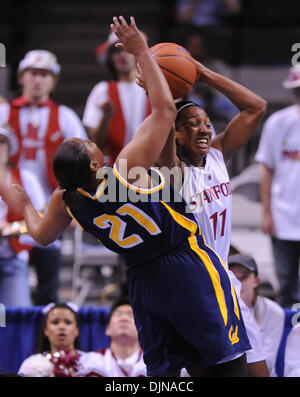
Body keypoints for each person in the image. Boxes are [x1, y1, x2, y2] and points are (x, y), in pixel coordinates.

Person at [6, 16, 251, 377]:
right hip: (187, 264)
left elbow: (41, 236)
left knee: (163, 374)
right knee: (223, 362)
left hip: (143, 283)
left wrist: (26, 204)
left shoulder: (67, 198)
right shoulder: (124, 169)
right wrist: (141, 52)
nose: (97, 143)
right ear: (94, 163)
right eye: (92, 146)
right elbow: (166, 111)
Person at [155, 59, 268, 375]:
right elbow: (162, 121)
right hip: (195, 290)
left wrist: (203, 75)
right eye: (192, 123)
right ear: (175, 135)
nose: (204, 128)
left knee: (261, 372)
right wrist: (158, 87)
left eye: (206, 122)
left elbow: (256, 107)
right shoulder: (171, 173)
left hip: (225, 282)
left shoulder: (217, 155)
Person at [0, 49, 88, 305]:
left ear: (53, 80)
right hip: (8, 206)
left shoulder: (65, 116)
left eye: (44, 75)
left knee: (48, 274)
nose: (37, 80)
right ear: (21, 78)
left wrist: (75, 206)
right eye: (32, 73)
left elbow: (83, 163)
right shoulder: (4, 113)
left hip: (52, 205)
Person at [255, 65, 300, 308]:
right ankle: (288, 341)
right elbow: (267, 169)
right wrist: (266, 213)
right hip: (284, 218)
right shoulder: (278, 123)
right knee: (286, 285)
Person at [82, 29, 150, 165]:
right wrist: (105, 118)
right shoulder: (102, 90)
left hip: (153, 167)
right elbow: (95, 143)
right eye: (116, 51)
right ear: (110, 58)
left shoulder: (153, 86)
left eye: (126, 49)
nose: (122, 55)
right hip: (116, 169)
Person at [0, 126, 46, 306]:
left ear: (10, 147)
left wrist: (13, 228)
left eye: (2, 141)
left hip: (14, 255)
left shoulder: (26, 178)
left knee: (18, 317)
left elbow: (40, 216)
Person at [228, 253, 293, 377]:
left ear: (256, 281)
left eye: (244, 277)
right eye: (233, 278)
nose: (238, 283)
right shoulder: (217, 309)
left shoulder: (273, 312)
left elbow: (267, 360)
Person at [18, 302, 99, 377]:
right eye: (55, 322)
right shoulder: (32, 364)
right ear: (45, 330)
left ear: (76, 330)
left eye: (68, 322)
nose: (61, 327)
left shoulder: (92, 362)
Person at [79, 298, 146, 377]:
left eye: (131, 314)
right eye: (118, 314)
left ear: (141, 329)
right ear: (107, 329)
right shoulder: (90, 361)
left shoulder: (154, 363)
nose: (124, 318)